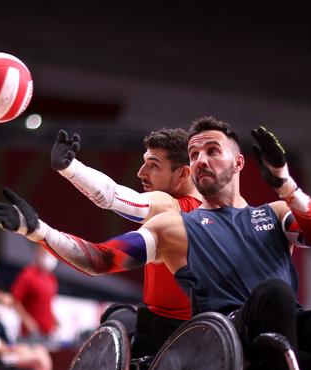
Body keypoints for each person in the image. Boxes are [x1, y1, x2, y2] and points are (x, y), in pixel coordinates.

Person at [0, 116, 311, 370]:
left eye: (212, 151)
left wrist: (284, 182)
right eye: (195, 153)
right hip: (231, 335)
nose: (201, 159)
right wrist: (37, 230)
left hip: (287, 327)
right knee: (275, 294)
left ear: (238, 162)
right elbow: (101, 258)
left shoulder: (274, 212)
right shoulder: (174, 222)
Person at [50, 127, 203, 354]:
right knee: (117, 315)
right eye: (144, 162)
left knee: (116, 323)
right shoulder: (183, 208)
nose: (141, 173)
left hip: (176, 334)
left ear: (183, 174)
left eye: (154, 165)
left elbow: (117, 197)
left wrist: (71, 169)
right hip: (159, 321)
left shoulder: (182, 208)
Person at [11, 244, 59, 342]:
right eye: (47, 253)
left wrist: (55, 320)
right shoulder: (28, 275)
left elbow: (47, 304)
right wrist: (27, 321)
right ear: (37, 254)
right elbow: (15, 301)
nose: (51, 257)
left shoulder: (51, 278)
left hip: (48, 334)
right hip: (31, 335)